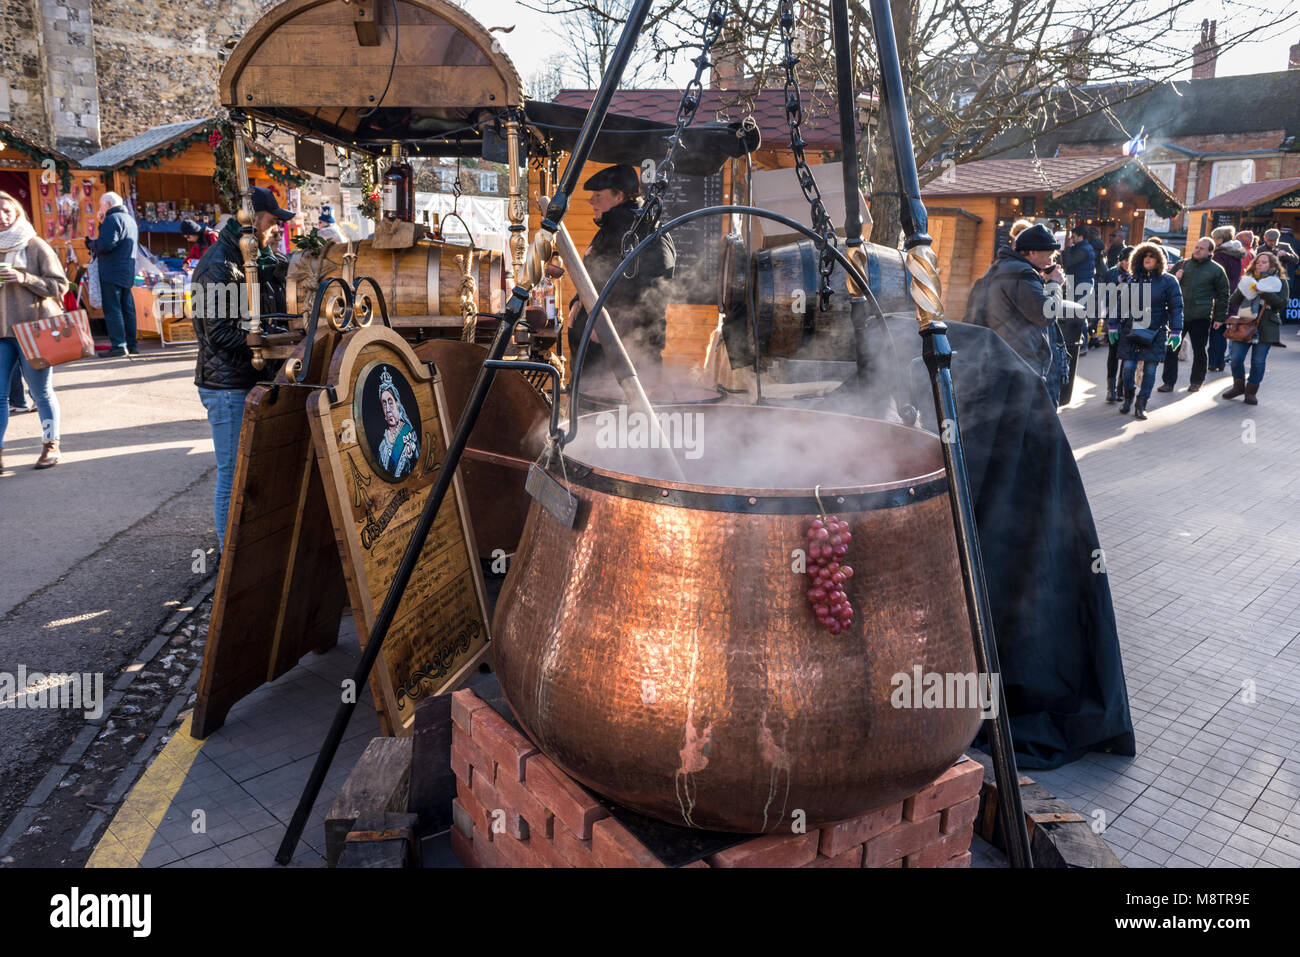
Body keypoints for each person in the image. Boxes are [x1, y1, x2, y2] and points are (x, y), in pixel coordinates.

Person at [190, 186, 294, 551]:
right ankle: (228, 559)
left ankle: (246, 553)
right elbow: (218, 333)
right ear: (253, 218)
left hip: (245, 381)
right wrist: (271, 344)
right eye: (271, 221)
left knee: (248, 474)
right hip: (227, 387)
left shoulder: (252, 257)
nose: (275, 229)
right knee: (233, 477)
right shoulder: (220, 263)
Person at [566, 164, 676, 378]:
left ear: (619, 196)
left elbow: (651, 293)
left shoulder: (644, 233)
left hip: (622, 356)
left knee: (617, 411)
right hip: (596, 354)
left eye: (598, 195)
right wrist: (577, 304)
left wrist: (613, 326)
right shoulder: (610, 230)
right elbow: (598, 281)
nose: (591, 201)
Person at [963, 223, 1070, 402]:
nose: (1051, 261)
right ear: (1032, 252)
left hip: (996, 360)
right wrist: (1054, 285)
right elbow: (1046, 314)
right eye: (1048, 255)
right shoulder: (1023, 273)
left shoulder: (1002, 268)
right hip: (1021, 364)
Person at [0, 190, 67, 471]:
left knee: (41, 392)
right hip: (2, 332)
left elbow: (59, 285)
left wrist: (22, 277)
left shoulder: (34, 244)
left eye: (6, 211)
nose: (2, 218)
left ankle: (51, 445)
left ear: (16, 212)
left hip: (34, 330)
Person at [1112, 242, 1183, 420]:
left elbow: (1176, 307)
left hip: (1156, 331)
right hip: (1132, 329)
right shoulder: (1133, 279)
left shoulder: (1169, 281)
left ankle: (1141, 404)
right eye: (1145, 256)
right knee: (1128, 368)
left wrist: (1176, 331)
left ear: (1159, 260)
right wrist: (1112, 325)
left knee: (1150, 371)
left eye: (1151, 256)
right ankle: (1128, 398)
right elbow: (1120, 304)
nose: (1148, 259)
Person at [1220, 250, 1288, 405]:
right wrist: (1245, 288)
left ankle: (1251, 392)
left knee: (1258, 361)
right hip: (1244, 324)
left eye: (1264, 262)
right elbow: (1234, 301)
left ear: (1272, 265)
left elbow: (1282, 303)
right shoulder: (1248, 280)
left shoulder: (1279, 281)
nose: (1260, 264)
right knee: (1236, 359)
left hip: (1266, 327)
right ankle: (1238, 386)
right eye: (1258, 262)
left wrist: (1262, 291)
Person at [1162, 237, 1229, 393]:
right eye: (1196, 247)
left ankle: (1196, 381)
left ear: (1210, 252)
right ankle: (1168, 382)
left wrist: (1219, 317)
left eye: (1201, 248)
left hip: (1201, 316)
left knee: (1199, 351)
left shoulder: (1216, 269)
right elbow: (1166, 285)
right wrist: (1176, 278)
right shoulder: (1182, 264)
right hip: (1179, 316)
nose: (1197, 250)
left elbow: (1223, 294)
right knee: (1172, 349)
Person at [86, 191, 139, 357]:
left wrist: (90, 244)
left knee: (113, 309)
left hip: (111, 271)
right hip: (126, 270)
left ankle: (118, 346)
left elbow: (106, 245)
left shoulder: (112, 219)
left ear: (108, 204)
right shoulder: (130, 219)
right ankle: (132, 345)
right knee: (128, 309)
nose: (100, 208)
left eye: (101, 205)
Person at [1209, 226, 1246, 370]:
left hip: (1221, 293)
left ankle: (1213, 361)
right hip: (1233, 291)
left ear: (1221, 239)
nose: (1214, 240)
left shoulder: (1220, 255)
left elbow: (1216, 276)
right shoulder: (1236, 253)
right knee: (1224, 328)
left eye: (1215, 238)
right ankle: (1220, 362)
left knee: (1216, 328)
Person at [1101, 245, 1134, 401]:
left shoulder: (1138, 275)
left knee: (1126, 353)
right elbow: (1104, 295)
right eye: (1126, 260)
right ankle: (1110, 389)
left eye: (1131, 260)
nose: (1128, 263)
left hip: (1130, 320)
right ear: (1121, 259)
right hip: (1113, 318)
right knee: (1113, 353)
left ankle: (1120, 388)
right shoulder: (1111, 273)